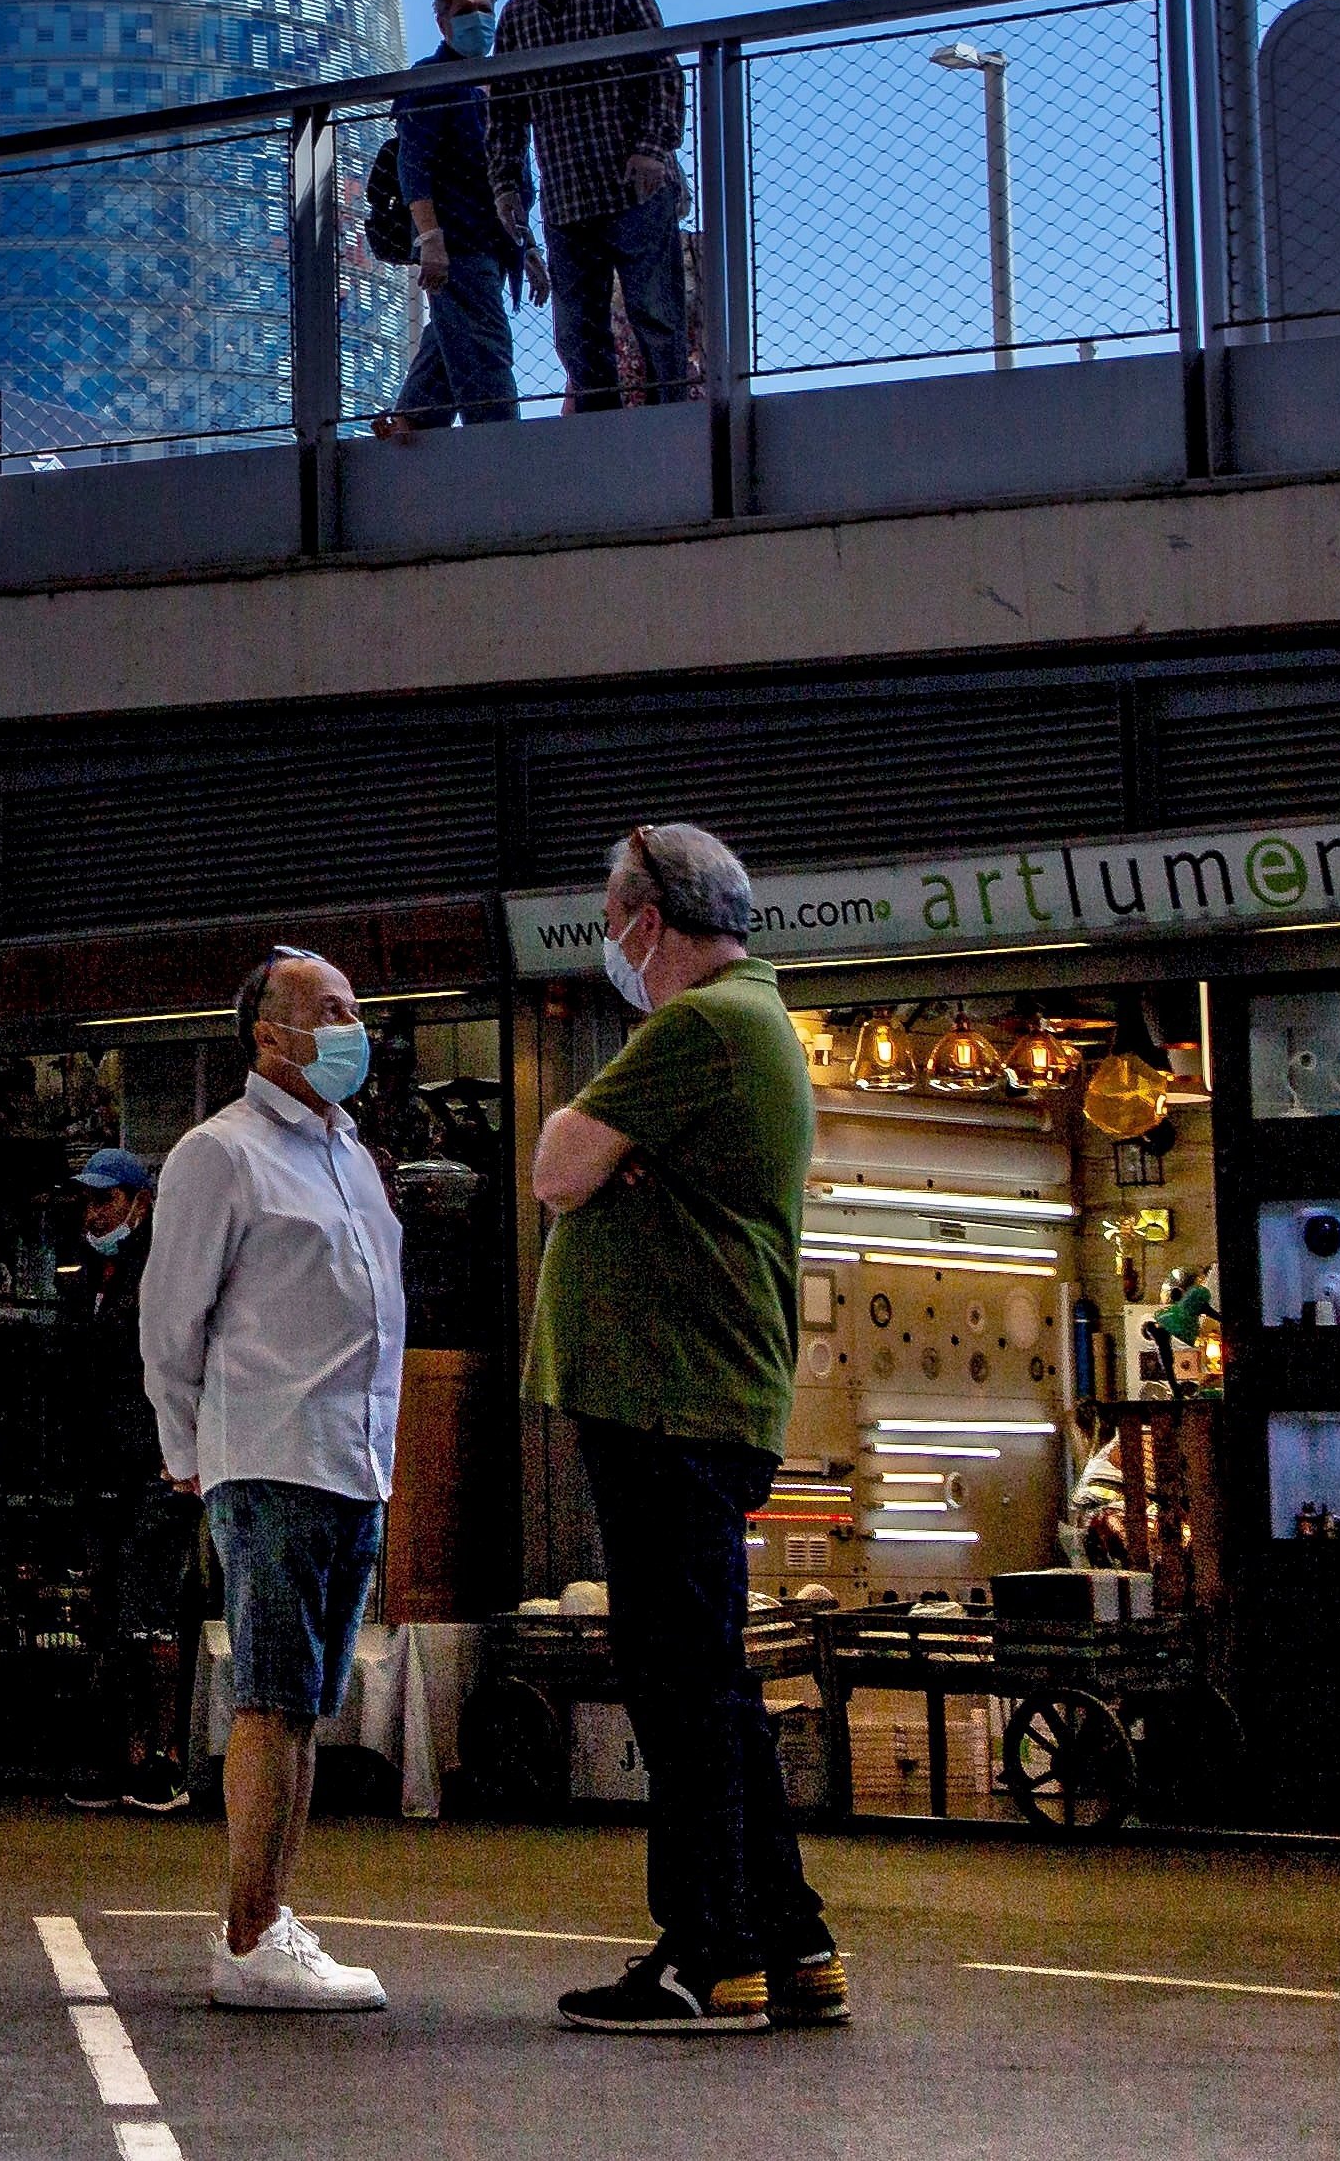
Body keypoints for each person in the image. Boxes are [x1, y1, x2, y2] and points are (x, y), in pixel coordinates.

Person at [527, 824, 839, 2034]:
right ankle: (790, 1935)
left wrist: (608, 1159)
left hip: (673, 1395)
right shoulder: (749, 1024)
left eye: (615, 918)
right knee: (708, 1676)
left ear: (651, 921)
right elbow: (591, 1172)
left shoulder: (702, 1027)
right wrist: (620, 1166)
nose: (610, 940)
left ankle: (707, 1951)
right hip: (691, 1393)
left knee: (679, 1682)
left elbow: (557, 1166)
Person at [141, 946, 407, 2014]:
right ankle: (247, 1937)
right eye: (333, 1011)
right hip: (271, 1456)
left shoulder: (351, 1156)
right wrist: (192, 1458)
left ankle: (269, 1921)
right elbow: (170, 1326)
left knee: (305, 1706)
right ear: (270, 1038)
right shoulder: (222, 1155)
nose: (356, 1027)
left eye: (355, 1009)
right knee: (268, 1697)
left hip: (352, 1463)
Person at [481, 0, 692, 412]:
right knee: (577, 335)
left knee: (656, 318)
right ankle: (602, 441)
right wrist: (506, 185)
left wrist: (650, 150)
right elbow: (505, 111)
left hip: (634, 192)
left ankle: (674, 434)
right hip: (568, 204)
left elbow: (661, 73)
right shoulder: (516, 18)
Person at [59, 1144, 197, 1813]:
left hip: (160, 1459)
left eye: (104, 1199)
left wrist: (186, 1452)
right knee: (111, 1610)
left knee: (154, 1610)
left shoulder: (164, 1269)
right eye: (87, 1200)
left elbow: (188, 1360)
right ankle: (126, 1755)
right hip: (105, 1459)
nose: (92, 1212)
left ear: (140, 1203)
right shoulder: (90, 1272)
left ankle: (166, 1759)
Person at [378, 0, 524, 435]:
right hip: (459, 243)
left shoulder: (497, 84)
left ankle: (410, 423)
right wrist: (431, 238)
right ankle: (500, 440)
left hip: (494, 244)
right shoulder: (432, 79)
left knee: (449, 335)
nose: (478, 20)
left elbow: (514, 173)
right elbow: (413, 164)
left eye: (485, 9)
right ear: (443, 24)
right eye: (465, 12)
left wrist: (529, 247)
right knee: (485, 346)